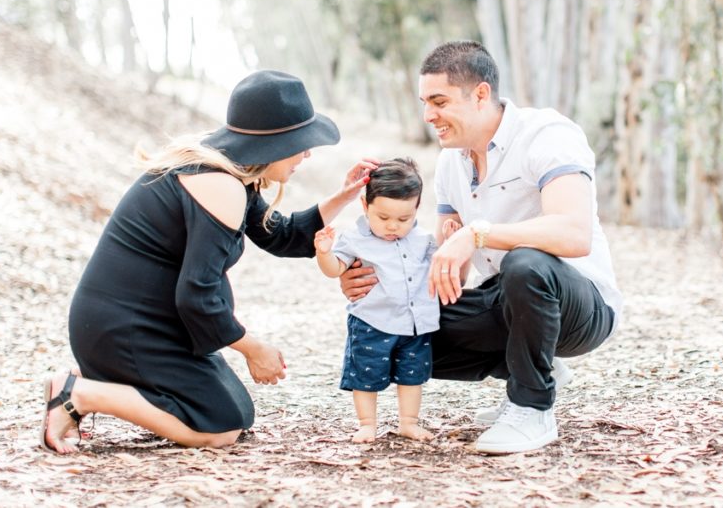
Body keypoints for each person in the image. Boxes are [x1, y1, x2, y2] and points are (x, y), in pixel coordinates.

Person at [41, 70, 377, 454]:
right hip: (122, 327)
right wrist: (253, 348)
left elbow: (280, 235)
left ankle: (88, 377)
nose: (307, 154)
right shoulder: (218, 184)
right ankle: (79, 394)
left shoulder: (233, 173)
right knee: (216, 429)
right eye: (302, 144)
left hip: (149, 323)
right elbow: (197, 296)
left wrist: (344, 197)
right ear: (275, 143)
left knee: (236, 412)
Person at [339, 41, 622, 454]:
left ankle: (532, 408)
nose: (428, 115)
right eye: (424, 102)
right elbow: (444, 272)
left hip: (579, 305)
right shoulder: (453, 161)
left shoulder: (546, 134)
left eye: (439, 101)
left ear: (481, 94)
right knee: (397, 325)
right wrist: (370, 280)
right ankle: (533, 370)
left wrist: (477, 233)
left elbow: (573, 234)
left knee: (527, 264)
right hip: (508, 304)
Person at [313, 158, 439, 444]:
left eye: (403, 219)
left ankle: (408, 422)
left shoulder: (423, 240)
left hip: (414, 325)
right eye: (383, 218)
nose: (393, 226)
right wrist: (324, 253)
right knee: (366, 375)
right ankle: (367, 423)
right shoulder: (355, 238)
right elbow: (336, 270)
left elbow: (438, 270)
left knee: (412, 376)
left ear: (416, 209)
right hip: (373, 321)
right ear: (365, 206)